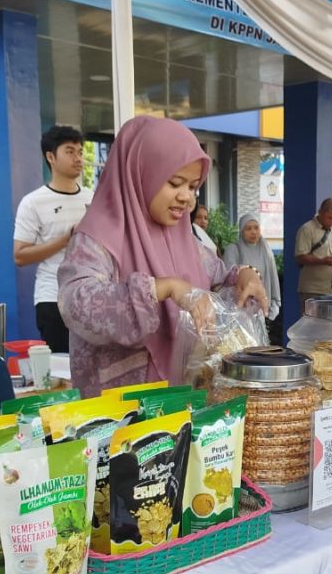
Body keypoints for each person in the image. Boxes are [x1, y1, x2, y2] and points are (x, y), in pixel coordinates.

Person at [57, 116, 267, 397]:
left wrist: (245, 274)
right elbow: (75, 303)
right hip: (122, 413)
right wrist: (162, 288)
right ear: (140, 174)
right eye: (175, 183)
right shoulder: (97, 238)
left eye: (193, 187)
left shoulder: (182, 239)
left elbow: (218, 275)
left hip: (182, 402)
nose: (187, 198)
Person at [13, 125, 93, 353]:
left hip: (91, 297)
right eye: (70, 151)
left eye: (80, 151)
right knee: (61, 367)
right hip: (53, 298)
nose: (78, 158)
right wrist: (65, 238)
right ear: (50, 157)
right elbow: (19, 255)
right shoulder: (33, 202)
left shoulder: (93, 198)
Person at [224, 213, 280, 320]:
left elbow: (273, 278)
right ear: (241, 231)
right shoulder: (233, 249)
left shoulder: (265, 251)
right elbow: (228, 276)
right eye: (248, 228)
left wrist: (274, 303)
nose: (253, 232)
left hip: (261, 311)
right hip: (239, 311)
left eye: (256, 228)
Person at [295, 197, 332, 312]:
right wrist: (323, 261)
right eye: (329, 217)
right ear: (321, 212)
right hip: (313, 291)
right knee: (313, 327)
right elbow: (300, 257)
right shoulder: (307, 229)